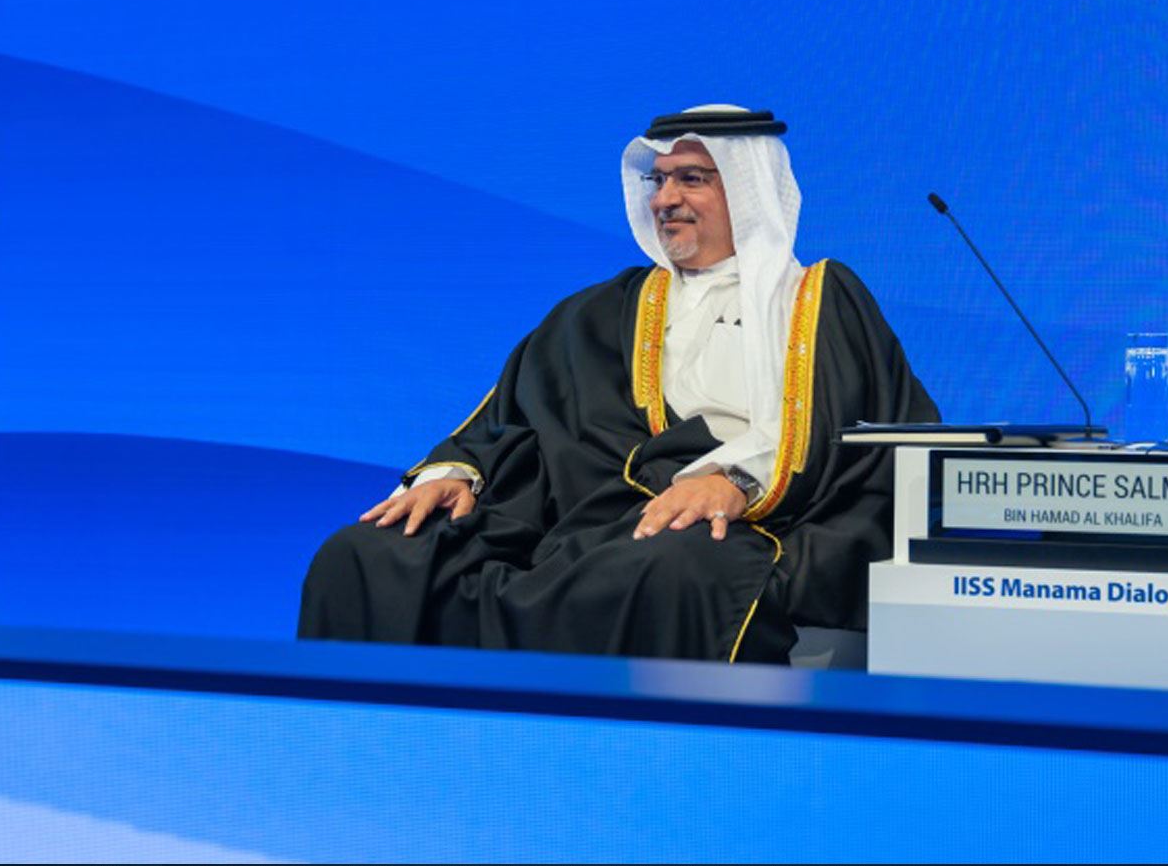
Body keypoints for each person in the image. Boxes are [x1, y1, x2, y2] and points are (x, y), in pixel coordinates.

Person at [299, 106, 939, 663]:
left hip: (755, 518)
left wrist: (734, 483)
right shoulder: (599, 312)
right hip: (584, 513)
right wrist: (455, 476)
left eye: (692, 179)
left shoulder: (815, 300)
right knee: (366, 554)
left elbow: (842, 430)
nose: (665, 199)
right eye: (658, 180)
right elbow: (507, 419)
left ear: (748, 190)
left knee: (676, 564)